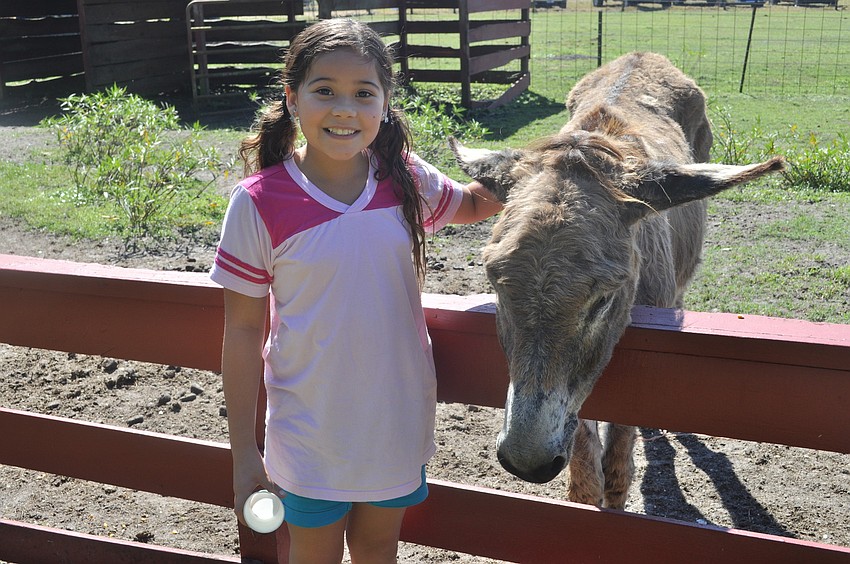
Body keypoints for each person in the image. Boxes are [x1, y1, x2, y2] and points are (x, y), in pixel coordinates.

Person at [210, 17, 502, 564]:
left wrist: (559, 162)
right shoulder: (258, 203)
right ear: (293, 98)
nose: (345, 108)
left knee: (377, 552)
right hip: (309, 433)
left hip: (394, 422)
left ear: (386, 103)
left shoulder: (406, 180)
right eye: (325, 91)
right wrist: (243, 455)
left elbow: (476, 204)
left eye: (363, 93)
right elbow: (244, 330)